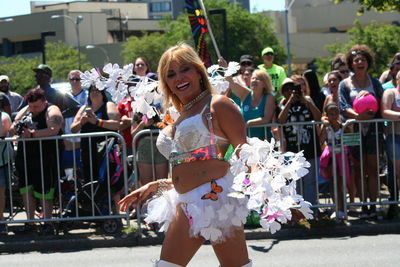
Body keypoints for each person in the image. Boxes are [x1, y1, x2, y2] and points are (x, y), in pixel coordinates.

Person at [119, 43, 253, 267]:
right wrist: (155, 185)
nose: (178, 78)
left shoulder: (217, 104)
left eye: (184, 69)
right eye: (170, 74)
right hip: (186, 200)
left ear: (198, 71)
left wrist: (274, 193)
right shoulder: (181, 114)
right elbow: (191, 164)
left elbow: (246, 153)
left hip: (215, 197)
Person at [339, 44, 384, 219]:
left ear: (368, 63)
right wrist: (358, 115)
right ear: (351, 63)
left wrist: (370, 101)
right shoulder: (345, 84)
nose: (360, 62)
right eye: (356, 60)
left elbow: (381, 103)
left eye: (363, 59)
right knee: (358, 169)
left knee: (372, 169)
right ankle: (363, 204)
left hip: (373, 130)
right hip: (353, 130)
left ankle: (372, 205)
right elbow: (343, 106)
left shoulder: (375, 82)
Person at [11, 88, 63, 234]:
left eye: (37, 106)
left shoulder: (52, 109)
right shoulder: (28, 109)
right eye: (31, 106)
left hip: (46, 157)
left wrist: (32, 135)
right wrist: (27, 109)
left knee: (45, 191)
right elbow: (14, 126)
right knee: (26, 189)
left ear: (44, 102)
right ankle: (30, 223)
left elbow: (54, 129)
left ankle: (47, 223)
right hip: (25, 156)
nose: (33, 110)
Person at [278, 78, 322, 206]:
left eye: (291, 88)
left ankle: (311, 211)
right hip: (292, 151)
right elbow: (280, 121)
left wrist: (306, 102)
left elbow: (318, 117)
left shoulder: (307, 100)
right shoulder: (282, 104)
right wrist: (289, 102)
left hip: (310, 148)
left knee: (310, 182)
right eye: (285, 89)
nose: (289, 91)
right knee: (295, 183)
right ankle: (298, 213)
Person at [70, 85, 120, 184]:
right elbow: (73, 129)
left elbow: (117, 125)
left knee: (107, 178)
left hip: (106, 149)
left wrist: (97, 122)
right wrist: (81, 122)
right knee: (89, 178)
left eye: (97, 90)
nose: (94, 92)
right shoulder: (84, 108)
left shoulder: (108, 105)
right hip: (87, 150)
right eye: (92, 90)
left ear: (102, 93)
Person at [319, 103, 351, 220]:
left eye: (336, 113)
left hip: (342, 156)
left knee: (342, 183)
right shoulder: (326, 127)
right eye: (331, 114)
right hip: (331, 157)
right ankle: (337, 208)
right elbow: (321, 141)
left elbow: (350, 137)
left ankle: (343, 208)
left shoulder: (343, 126)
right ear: (326, 115)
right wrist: (323, 126)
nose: (334, 116)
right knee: (333, 182)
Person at [225, 67, 276, 140]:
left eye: (258, 79)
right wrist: (225, 67)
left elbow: (266, 118)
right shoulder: (245, 94)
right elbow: (230, 82)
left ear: (264, 84)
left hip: (264, 142)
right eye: (253, 78)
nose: (254, 80)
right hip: (246, 141)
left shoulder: (269, 97)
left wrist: (249, 123)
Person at [380, 70, 400, 219]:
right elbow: (385, 111)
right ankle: (394, 203)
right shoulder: (391, 93)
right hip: (395, 137)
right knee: (397, 172)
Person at [62, 70, 88, 173]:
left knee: (83, 170)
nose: (74, 82)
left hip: (83, 139)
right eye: (72, 79)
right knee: (69, 172)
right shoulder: (64, 96)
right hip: (68, 140)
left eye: (77, 79)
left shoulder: (87, 95)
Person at [0, 98, 12, 234]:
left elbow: (2, 132)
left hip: (2, 161)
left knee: (0, 193)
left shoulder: (4, 116)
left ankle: (1, 221)